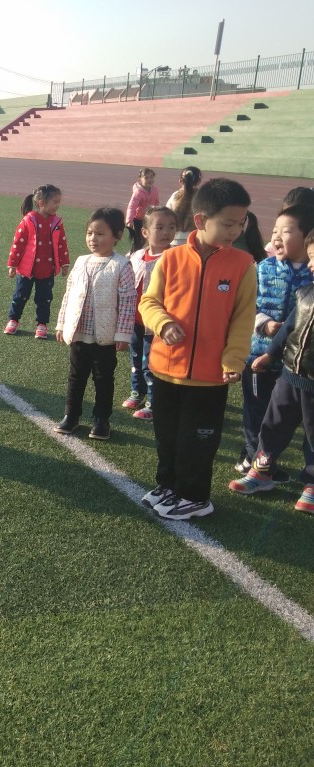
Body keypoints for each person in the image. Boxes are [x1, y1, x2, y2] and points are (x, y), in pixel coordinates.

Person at [138, 178, 257, 520]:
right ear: (202, 220)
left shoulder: (242, 265)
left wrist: (233, 359)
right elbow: (149, 301)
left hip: (209, 376)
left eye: (241, 223)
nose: (236, 231)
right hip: (166, 369)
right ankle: (169, 485)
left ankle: (195, 496)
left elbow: (243, 319)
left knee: (197, 441)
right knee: (167, 436)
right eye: (228, 224)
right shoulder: (172, 258)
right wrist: (163, 324)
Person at [228, 229, 314, 514]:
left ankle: (311, 483)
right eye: (310, 258)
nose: (312, 265)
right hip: (290, 376)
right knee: (274, 423)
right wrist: (269, 354)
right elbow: (288, 328)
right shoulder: (306, 294)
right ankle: (262, 470)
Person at [52, 207, 136, 440]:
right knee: (76, 377)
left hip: (105, 337)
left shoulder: (122, 265)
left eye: (100, 234)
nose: (93, 239)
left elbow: (128, 301)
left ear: (117, 236)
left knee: (103, 379)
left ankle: (101, 420)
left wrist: (123, 334)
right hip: (79, 332)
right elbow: (69, 294)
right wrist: (61, 323)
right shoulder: (81, 261)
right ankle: (71, 416)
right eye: (90, 233)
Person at [121, 206, 177, 420]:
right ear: (145, 232)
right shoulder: (136, 256)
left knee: (151, 364)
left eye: (171, 227)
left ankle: (154, 403)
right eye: (159, 227)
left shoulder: (175, 257)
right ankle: (138, 391)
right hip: (135, 322)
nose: (166, 232)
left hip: (157, 325)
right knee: (136, 360)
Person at [4, 184, 70, 339]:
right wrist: (13, 264)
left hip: (47, 269)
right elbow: (18, 243)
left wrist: (64, 263)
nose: (57, 205)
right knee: (20, 295)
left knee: (44, 298)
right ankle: (13, 320)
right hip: (27, 269)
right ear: (41, 203)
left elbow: (61, 244)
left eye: (59, 202)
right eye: (55, 202)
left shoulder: (57, 222)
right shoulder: (29, 220)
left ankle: (42, 324)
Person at [165, 166, 202, 247]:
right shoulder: (202, 197)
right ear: (199, 181)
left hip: (174, 238)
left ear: (180, 181)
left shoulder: (175, 196)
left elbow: (166, 214)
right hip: (194, 239)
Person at [125, 168, 159, 252]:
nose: (149, 179)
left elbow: (156, 202)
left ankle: (149, 252)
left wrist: (156, 212)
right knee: (138, 240)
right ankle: (132, 253)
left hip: (149, 218)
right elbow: (132, 206)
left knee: (149, 237)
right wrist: (129, 220)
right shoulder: (138, 192)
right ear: (140, 180)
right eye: (146, 178)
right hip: (138, 219)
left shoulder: (155, 190)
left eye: (151, 177)